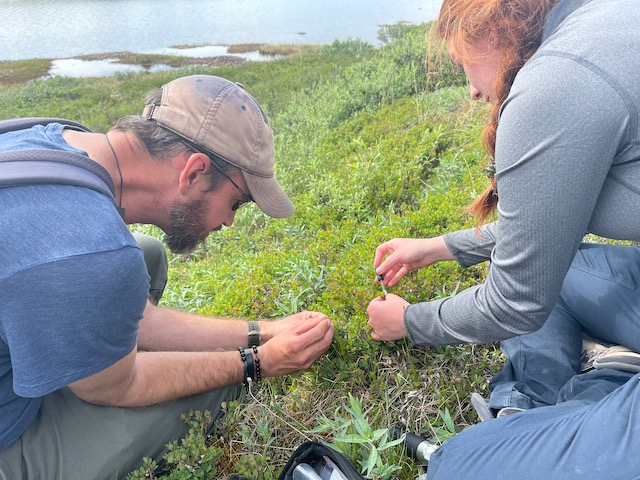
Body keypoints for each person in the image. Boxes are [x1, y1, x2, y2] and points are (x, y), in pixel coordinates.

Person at [0, 74, 334, 479]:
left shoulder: (58, 139)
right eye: (237, 202)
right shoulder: (91, 251)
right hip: (8, 435)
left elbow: (135, 316)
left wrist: (262, 330)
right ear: (193, 171)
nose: (228, 221)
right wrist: (257, 364)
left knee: (146, 254)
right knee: (208, 391)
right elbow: (118, 386)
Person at [367, 0, 640, 477]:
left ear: (491, 30)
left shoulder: (555, 85)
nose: (472, 92)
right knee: (555, 263)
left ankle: (590, 397)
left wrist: (409, 322)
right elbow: (543, 234)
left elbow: (517, 302)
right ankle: (537, 412)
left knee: (458, 466)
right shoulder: (600, 18)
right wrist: (441, 247)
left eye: (461, 65)